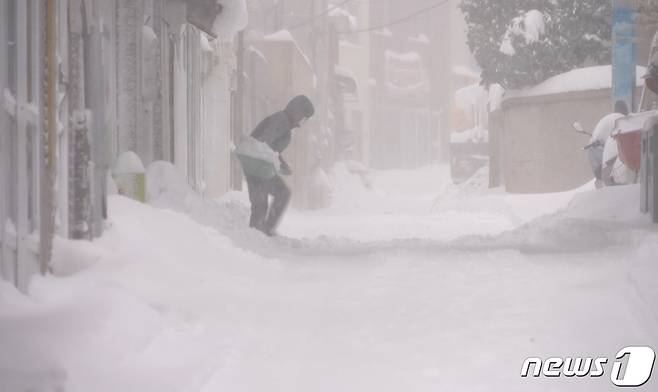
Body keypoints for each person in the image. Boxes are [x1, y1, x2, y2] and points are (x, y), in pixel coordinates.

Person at [245, 95, 315, 236]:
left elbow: (272, 149)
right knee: (262, 204)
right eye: (305, 117)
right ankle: (258, 235)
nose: (304, 122)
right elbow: (263, 142)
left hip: (260, 165)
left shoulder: (285, 125)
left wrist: (282, 164)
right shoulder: (281, 121)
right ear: (298, 112)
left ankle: (262, 232)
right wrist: (275, 161)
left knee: (274, 197)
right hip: (256, 165)